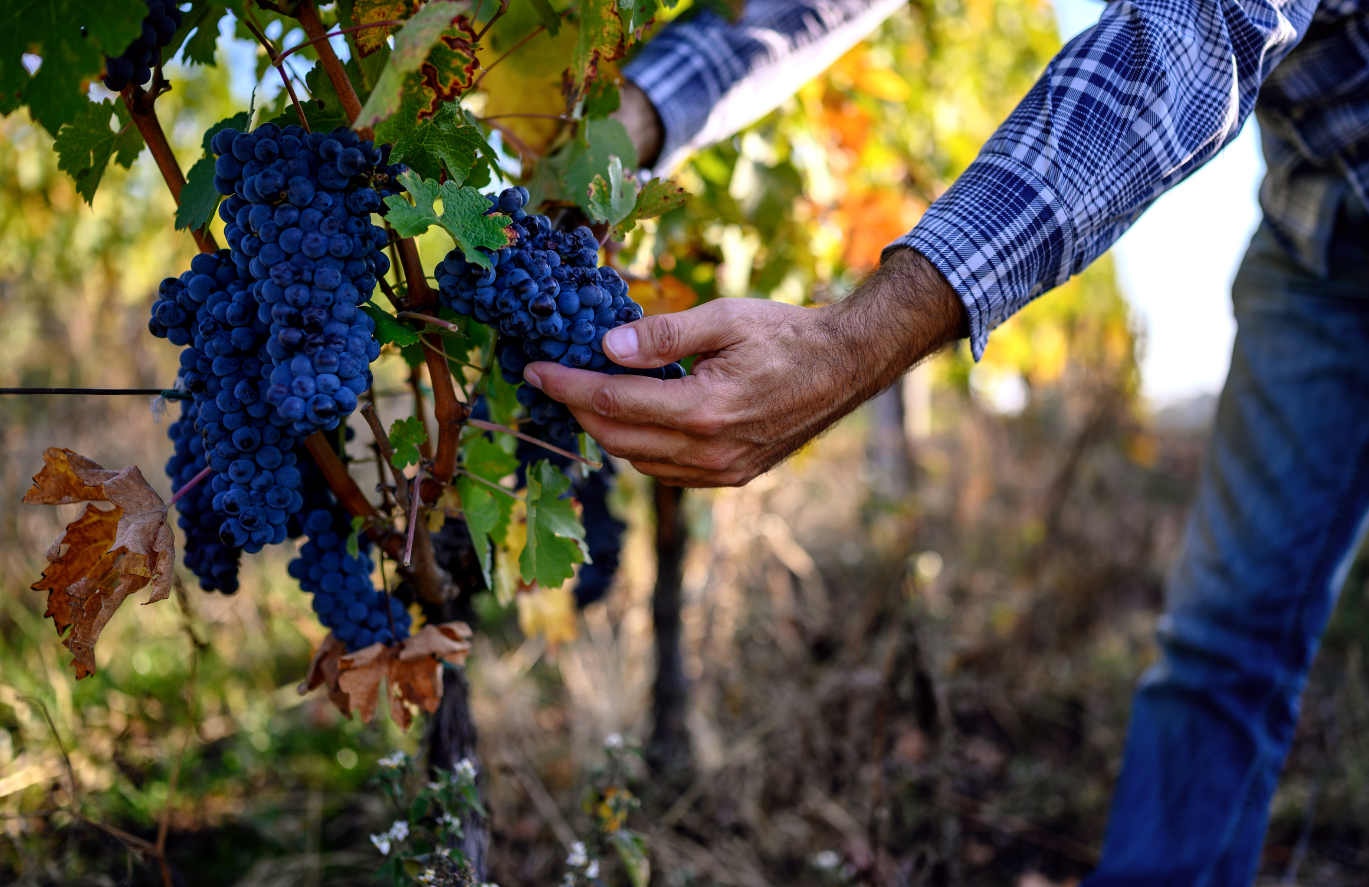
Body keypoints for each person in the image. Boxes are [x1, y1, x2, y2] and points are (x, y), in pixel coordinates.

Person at [526, 0, 1369, 884]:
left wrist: (850, 342)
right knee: (1224, 642)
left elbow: (1190, 38)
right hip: (1318, 232)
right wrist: (628, 122)